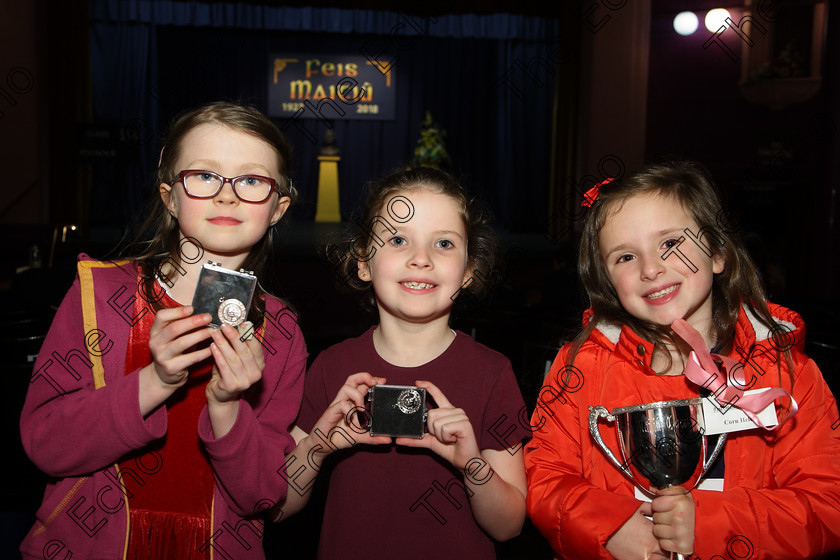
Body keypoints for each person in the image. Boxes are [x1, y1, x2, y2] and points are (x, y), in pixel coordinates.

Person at [19, 101, 307, 559]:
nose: (227, 195)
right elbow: (46, 445)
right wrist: (155, 381)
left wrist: (227, 407)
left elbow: (262, 495)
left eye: (252, 180)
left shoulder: (282, 330)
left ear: (277, 208)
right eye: (204, 175)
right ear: (169, 196)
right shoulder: (100, 296)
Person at [524, 160, 840, 559]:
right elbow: (545, 475)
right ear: (606, 281)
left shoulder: (786, 374)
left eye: (671, 243)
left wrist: (711, 524)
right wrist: (608, 527)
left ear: (717, 253)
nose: (651, 268)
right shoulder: (581, 368)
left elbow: (827, 502)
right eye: (625, 257)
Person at [276, 166, 529, 559]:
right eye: (398, 239)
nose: (421, 259)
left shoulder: (493, 372)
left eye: (443, 244)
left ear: (467, 270)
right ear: (363, 262)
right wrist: (316, 447)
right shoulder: (331, 365)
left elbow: (508, 525)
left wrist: (472, 464)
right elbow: (278, 507)